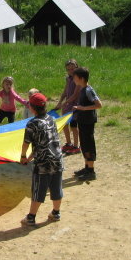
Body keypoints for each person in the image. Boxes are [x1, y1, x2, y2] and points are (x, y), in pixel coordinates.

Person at [20, 92, 63, 226]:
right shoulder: (51, 119)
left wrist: (23, 157)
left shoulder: (32, 124)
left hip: (43, 163)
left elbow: (26, 143)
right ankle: (56, 213)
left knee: (38, 189)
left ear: (32, 108)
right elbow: (43, 143)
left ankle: (31, 217)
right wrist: (29, 158)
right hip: (57, 159)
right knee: (56, 188)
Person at [72, 67, 102, 181]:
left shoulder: (89, 90)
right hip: (82, 121)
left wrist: (83, 108)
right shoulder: (82, 89)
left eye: (75, 77)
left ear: (82, 78)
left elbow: (99, 105)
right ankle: (86, 167)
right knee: (84, 144)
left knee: (89, 145)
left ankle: (91, 171)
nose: (73, 79)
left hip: (88, 122)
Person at [54, 59, 81, 155]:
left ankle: (76, 146)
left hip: (75, 106)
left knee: (74, 126)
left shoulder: (78, 80)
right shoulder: (68, 78)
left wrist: (64, 103)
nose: (70, 71)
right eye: (68, 70)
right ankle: (68, 143)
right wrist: (60, 102)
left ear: (76, 68)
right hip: (67, 105)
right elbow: (65, 91)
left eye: (72, 69)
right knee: (65, 124)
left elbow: (75, 94)